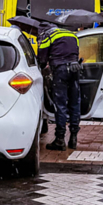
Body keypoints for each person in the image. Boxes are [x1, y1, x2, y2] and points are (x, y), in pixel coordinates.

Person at [37, 23, 81, 151]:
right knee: (74, 103)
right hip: (74, 69)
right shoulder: (72, 35)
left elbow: (42, 59)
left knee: (60, 104)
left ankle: (60, 139)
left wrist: (43, 66)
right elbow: (76, 53)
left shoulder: (48, 36)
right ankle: (73, 138)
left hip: (60, 70)